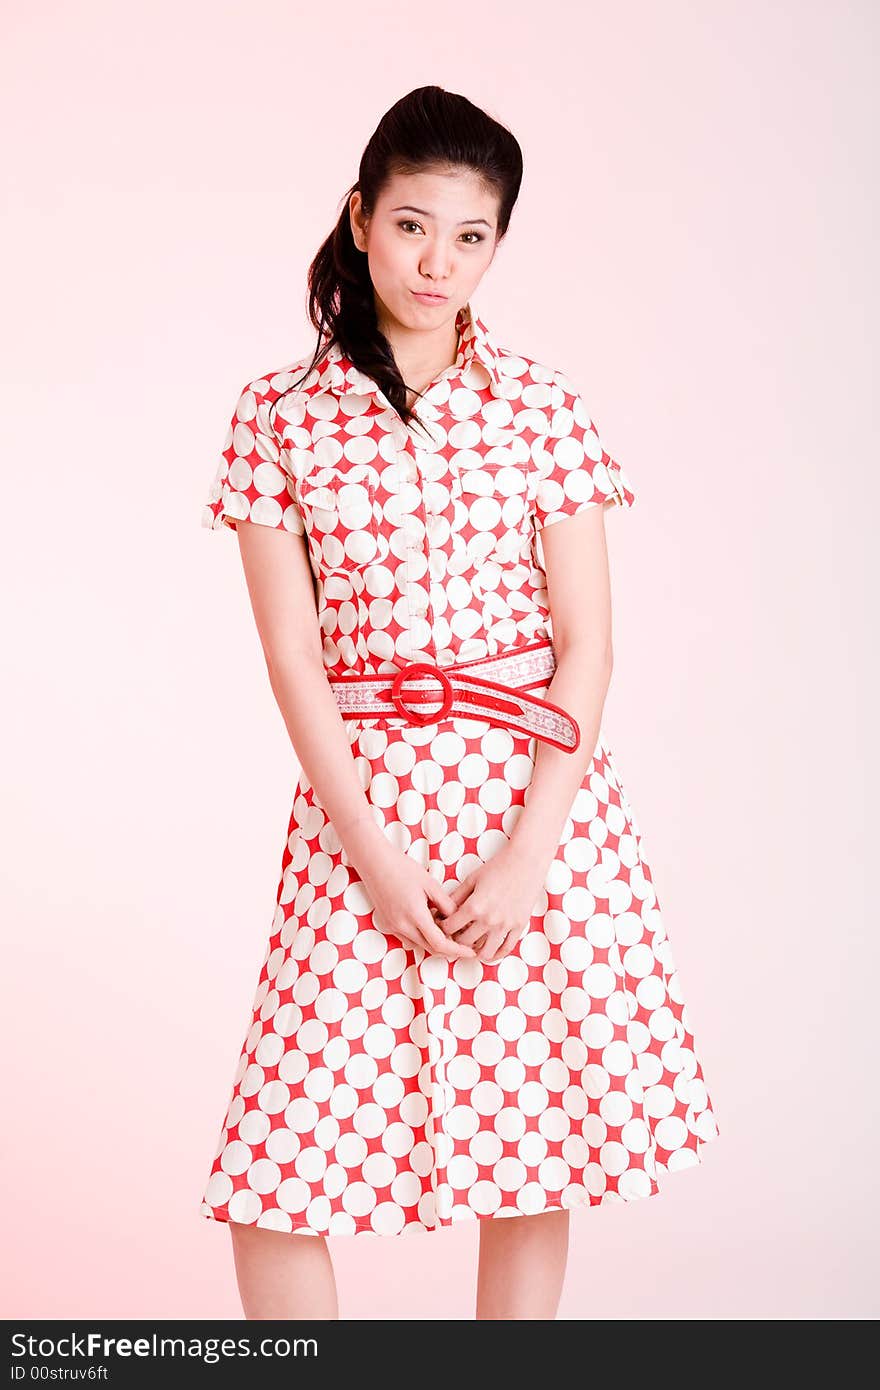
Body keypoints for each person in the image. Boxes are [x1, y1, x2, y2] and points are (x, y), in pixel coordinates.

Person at [198, 84, 719, 1321]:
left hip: (529, 812)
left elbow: (586, 649)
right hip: (358, 809)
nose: (440, 262)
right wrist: (369, 851)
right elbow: (292, 664)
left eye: (472, 236)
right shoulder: (276, 416)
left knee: (533, 1144)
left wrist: (532, 851)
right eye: (415, 225)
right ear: (361, 216)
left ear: (499, 245)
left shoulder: (542, 407)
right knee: (279, 1167)